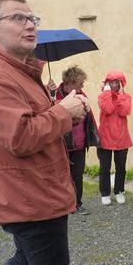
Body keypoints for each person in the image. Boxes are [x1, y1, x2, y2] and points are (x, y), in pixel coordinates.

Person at [0, 0, 87, 265]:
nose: (30, 25)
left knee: (26, 262)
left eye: (33, 19)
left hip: (33, 191)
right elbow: (20, 137)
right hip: (32, 195)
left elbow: (34, 121)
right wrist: (63, 112)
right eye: (19, 18)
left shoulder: (18, 70)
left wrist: (68, 115)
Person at [54, 65, 100, 215]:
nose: (82, 86)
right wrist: (52, 96)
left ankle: (77, 203)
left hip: (79, 145)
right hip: (61, 146)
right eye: (80, 83)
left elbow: (89, 119)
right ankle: (62, 205)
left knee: (77, 176)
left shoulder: (82, 95)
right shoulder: (55, 96)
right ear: (69, 83)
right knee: (60, 176)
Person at [97, 70, 133, 205]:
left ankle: (119, 191)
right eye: (110, 82)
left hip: (122, 138)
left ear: (121, 84)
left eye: (116, 82)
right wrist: (106, 93)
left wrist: (121, 95)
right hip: (105, 137)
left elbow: (124, 111)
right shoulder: (102, 97)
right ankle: (105, 193)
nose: (113, 85)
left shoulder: (126, 97)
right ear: (107, 84)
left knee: (121, 167)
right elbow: (108, 109)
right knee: (104, 168)